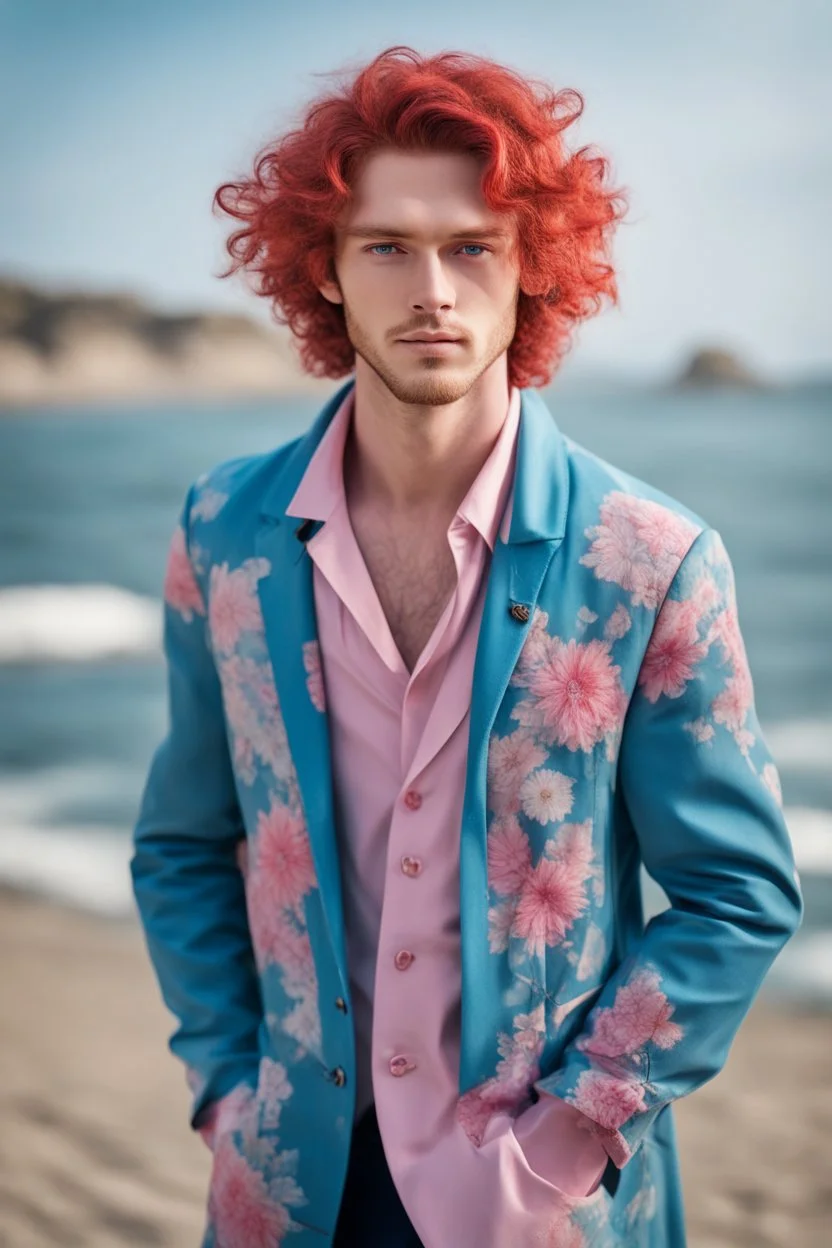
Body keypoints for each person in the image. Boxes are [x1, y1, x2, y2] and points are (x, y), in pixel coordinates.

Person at [130, 45, 803, 1248]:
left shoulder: (648, 562)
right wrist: (229, 1091)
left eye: (471, 246)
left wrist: (571, 1139)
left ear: (528, 266)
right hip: (291, 1192)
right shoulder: (222, 531)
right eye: (386, 245)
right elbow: (185, 842)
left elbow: (734, 892)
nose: (430, 288)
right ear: (324, 272)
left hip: (536, 1205)